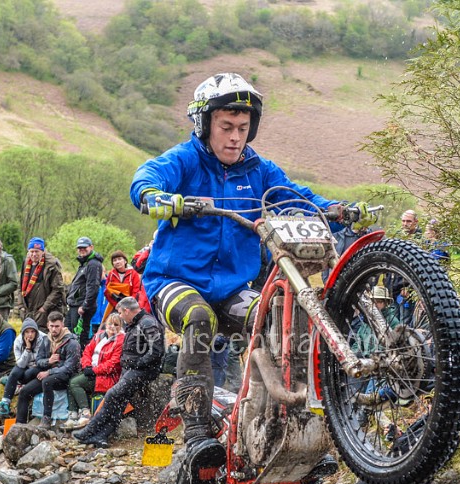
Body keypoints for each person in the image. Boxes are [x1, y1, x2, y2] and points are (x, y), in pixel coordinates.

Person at [130, 72, 375, 462]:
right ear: (205, 125)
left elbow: (298, 197)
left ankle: (280, 423)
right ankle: (196, 433)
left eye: (243, 129)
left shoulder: (260, 170)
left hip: (231, 288)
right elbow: (148, 175)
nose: (235, 137)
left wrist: (337, 209)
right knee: (198, 318)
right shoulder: (185, 159)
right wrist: (154, 196)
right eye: (226, 127)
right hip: (174, 281)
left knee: (279, 319)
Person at [73, 297, 162, 447]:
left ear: (127, 311)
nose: (120, 316)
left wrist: (139, 363)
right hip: (130, 369)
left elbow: (157, 350)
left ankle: (89, 430)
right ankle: (101, 436)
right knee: (120, 403)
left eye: (120, 313)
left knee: (112, 395)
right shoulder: (135, 323)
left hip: (142, 370)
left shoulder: (147, 323)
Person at [15, 312, 80, 427]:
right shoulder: (46, 339)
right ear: (47, 325)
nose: (54, 329)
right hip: (48, 373)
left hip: (65, 376)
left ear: (62, 325)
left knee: (47, 381)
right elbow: (39, 360)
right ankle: (19, 424)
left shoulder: (72, 342)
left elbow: (69, 368)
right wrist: (48, 361)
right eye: (51, 326)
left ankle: (46, 418)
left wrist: (49, 372)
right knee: (24, 392)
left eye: (57, 326)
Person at [64, 313, 124, 429]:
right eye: (110, 323)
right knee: (71, 380)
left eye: (116, 324)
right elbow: (87, 351)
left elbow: (113, 364)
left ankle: (85, 413)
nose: (112, 327)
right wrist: (87, 366)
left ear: (120, 326)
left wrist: (94, 371)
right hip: (93, 371)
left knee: (74, 383)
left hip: (107, 377)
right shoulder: (99, 335)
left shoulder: (120, 341)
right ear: (106, 324)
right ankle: (73, 414)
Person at [0, 317, 42, 418]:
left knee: (30, 372)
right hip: (24, 364)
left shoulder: (43, 339)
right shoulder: (18, 341)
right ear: (23, 333)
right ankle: (5, 404)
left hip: (37, 367)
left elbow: (41, 360)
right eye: (27, 332)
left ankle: (16, 383)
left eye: (32, 332)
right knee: (15, 372)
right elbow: (20, 364)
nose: (30, 334)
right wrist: (27, 349)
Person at [19, 237, 65, 328]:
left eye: (37, 251)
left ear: (43, 252)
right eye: (32, 251)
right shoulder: (26, 263)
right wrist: (21, 306)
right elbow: (20, 286)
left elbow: (58, 290)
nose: (34, 254)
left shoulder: (51, 265)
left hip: (46, 312)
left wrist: (44, 308)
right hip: (28, 310)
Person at [66, 236, 104, 345]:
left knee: (80, 337)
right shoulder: (84, 263)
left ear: (91, 247)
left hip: (81, 307)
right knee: (69, 334)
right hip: (74, 304)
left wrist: (85, 306)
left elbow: (93, 287)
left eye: (84, 247)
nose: (82, 250)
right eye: (80, 248)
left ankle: (82, 355)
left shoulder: (93, 264)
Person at [104, 250, 149, 315]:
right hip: (115, 306)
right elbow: (107, 291)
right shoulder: (111, 274)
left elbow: (136, 291)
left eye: (119, 259)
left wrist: (128, 305)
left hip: (130, 306)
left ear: (125, 261)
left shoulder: (133, 273)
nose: (117, 262)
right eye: (114, 260)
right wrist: (117, 305)